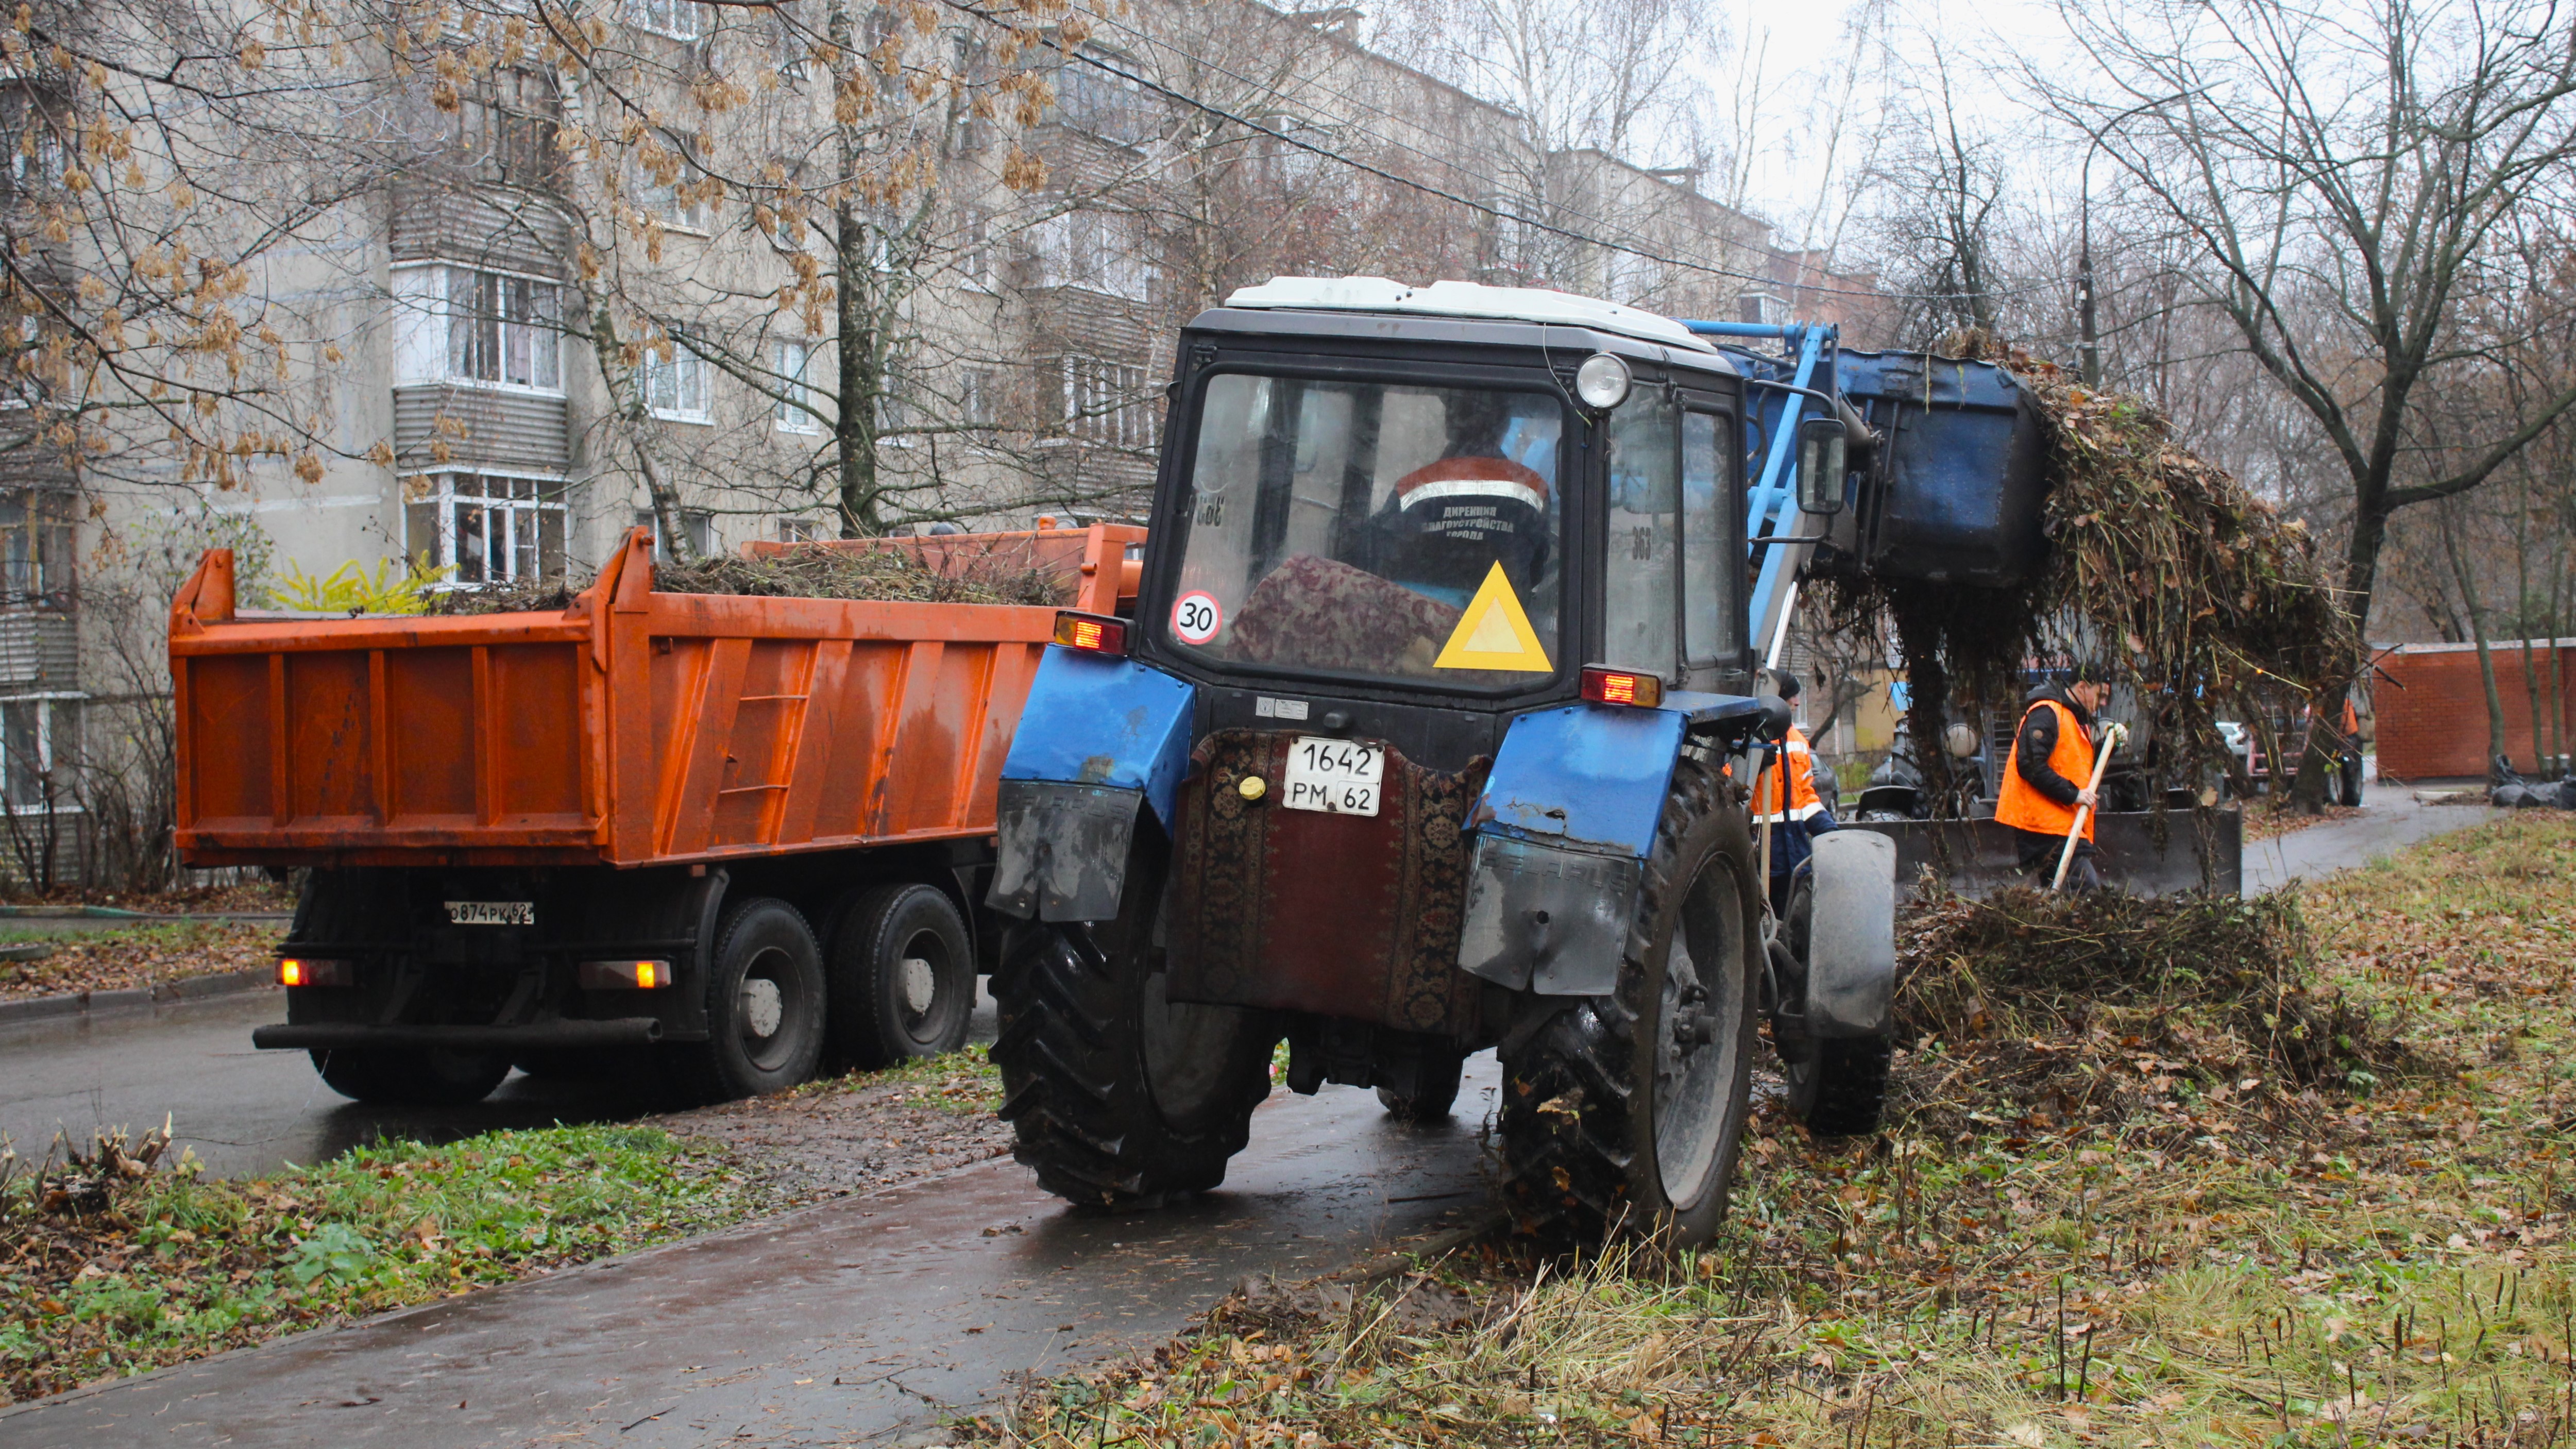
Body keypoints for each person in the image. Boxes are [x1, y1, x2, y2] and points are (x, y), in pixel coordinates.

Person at [1995, 668, 2111, 891]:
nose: (2103, 703)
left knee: (2070, 891)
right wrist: (2073, 794)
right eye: (2101, 695)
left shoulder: (2072, 720)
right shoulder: (2047, 713)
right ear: (2083, 687)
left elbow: (2076, 767)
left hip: (2061, 824)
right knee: (2083, 889)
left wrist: (2110, 747)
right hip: (2044, 826)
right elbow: (2030, 764)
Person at [1758, 672, 1837, 907]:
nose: (1798, 702)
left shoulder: (1798, 741)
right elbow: (1727, 786)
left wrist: (1829, 830)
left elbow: (1805, 797)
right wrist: (1753, 763)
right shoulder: (1747, 740)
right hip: (1761, 857)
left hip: (1796, 858)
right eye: (1793, 696)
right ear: (1776, 701)